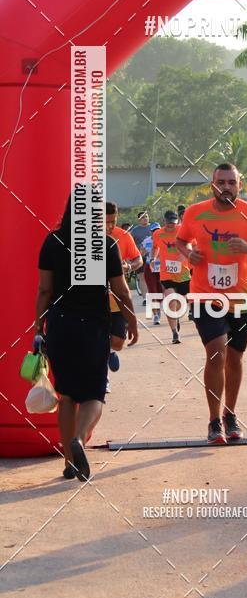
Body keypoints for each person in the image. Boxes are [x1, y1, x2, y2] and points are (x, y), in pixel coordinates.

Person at [34, 194, 138, 481]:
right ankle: (79, 438)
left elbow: (44, 290)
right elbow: (121, 290)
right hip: (94, 328)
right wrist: (131, 321)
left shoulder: (52, 242)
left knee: (66, 396)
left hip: (60, 327)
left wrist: (37, 326)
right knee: (94, 393)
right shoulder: (105, 245)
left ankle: (69, 461)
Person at [176, 163, 247, 444]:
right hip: (204, 295)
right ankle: (213, 420)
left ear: (239, 185)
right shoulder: (195, 213)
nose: (226, 187)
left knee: (234, 357)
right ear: (212, 185)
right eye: (221, 182)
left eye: (231, 182)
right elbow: (181, 240)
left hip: (239, 297)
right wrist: (189, 255)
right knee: (216, 352)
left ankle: (229, 414)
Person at [106, 202, 142, 375]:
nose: (109, 226)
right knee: (96, 339)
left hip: (117, 299)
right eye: (105, 222)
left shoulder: (123, 236)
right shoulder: (87, 238)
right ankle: (102, 377)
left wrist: (128, 267)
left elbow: (138, 259)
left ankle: (110, 352)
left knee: (118, 342)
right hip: (95, 300)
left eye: (113, 221)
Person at [151, 210, 190, 344]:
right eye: (168, 224)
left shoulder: (183, 230)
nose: (171, 226)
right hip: (166, 273)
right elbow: (156, 247)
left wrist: (185, 253)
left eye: (173, 224)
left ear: (177, 221)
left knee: (180, 302)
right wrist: (153, 258)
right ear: (164, 222)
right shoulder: (157, 233)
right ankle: (174, 332)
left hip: (183, 273)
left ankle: (177, 317)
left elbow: (190, 244)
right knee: (170, 301)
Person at [130, 211, 151, 299]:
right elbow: (131, 244)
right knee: (142, 277)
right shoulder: (134, 231)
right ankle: (145, 298)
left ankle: (158, 297)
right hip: (141, 257)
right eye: (142, 217)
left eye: (146, 216)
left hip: (154, 257)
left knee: (155, 277)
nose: (145, 218)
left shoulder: (154, 227)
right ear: (139, 220)